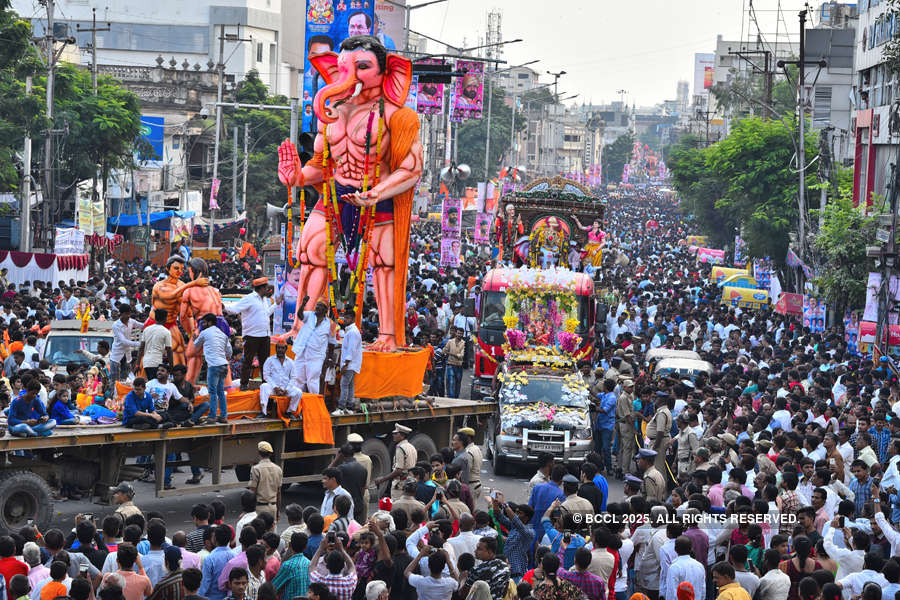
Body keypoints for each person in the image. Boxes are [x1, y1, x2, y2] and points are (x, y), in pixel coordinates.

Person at [224, 278, 276, 389]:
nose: (268, 291)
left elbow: (267, 313)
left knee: (265, 363)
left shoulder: (264, 300)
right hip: (252, 335)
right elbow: (234, 309)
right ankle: (244, 385)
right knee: (248, 361)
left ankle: (265, 385)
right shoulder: (249, 298)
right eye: (267, 288)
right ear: (261, 288)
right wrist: (223, 307)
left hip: (265, 335)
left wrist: (277, 304)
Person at [192, 313, 233, 424]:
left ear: (210, 322)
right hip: (224, 365)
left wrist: (193, 339)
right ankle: (223, 416)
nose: (203, 324)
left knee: (213, 392)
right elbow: (230, 352)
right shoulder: (222, 334)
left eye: (204, 322)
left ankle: (212, 417)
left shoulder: (204, 333)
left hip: (214, 366)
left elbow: (195, 346)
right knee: (220, 391)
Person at [290, 297, 335, 395]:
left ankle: (313, 403)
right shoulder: (309, 315)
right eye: (317, 305)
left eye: (320, 306)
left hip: (316, 356)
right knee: (298, 379)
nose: (317, 307)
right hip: (301, 351)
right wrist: (303, 304)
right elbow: (300, 316)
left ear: (325, 310)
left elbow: (332, 343)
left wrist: (330, 358)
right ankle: (297, 404)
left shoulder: (331, 324)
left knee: (312, 381)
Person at [258, 342, 300, 420]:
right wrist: (275, 387)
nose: (280, 350)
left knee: (298, 392)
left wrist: (286, 389)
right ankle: (263, 412)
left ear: (286, 349)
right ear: (276, 348)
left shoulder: (291, 362)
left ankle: (289, 412)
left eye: (282, 348)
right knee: (264, 386)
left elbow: (293, 378)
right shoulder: (269, 360)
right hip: (273, 388)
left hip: (285, 389)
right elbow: (266, 376)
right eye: (278, 348)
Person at [374, 425, 416, 499]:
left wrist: (382, 479)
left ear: (402, 436)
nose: (393, 435)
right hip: (410, 482)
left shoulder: (400, 448)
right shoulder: (411, 446)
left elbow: (398, 470)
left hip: (400, 484)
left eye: (396, 434)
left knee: (397, 506)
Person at [308, 536, 357, 600]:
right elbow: (351, 567)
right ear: (343, 566)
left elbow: (312, 567)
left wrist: (321, 548)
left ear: (327, 566)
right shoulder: (349, 583)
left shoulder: (319, 582)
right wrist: (341, 549)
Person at [336, 308, 362, 415]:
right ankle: (349, 408)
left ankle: (341, 408)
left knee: (344, 385)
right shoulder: (351, 331)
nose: (345, 320)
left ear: (352, 319)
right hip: (351, 363)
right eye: (344, 318)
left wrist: (345, 364)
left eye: (347, 318)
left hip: (349, 364)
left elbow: (351, 350)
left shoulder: (353, 332)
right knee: (350, 385)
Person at [137, 308, 174, 381]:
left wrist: (137, 364)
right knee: (155, 385)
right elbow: (169, 350)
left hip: (146, 362)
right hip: (156, 362)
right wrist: (171, 366)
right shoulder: (166, 332)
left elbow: (141, 348)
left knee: (151, 382)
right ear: (165, 318)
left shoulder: (146, 329)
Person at [271, 532, 310, 600]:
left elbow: (273, 587)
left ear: (290, 545)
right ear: (305, 546)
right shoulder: (309, 563)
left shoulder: (287, 565)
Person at [249, 441, 283, 520]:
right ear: (270, 454)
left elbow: (252, 491)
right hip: (273, 508)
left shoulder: (256, 469)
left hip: (260, 509)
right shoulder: (278, 469)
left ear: (258, 453)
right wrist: (278, 511)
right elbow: (279, 492)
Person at [109, 304, 142, 381]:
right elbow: (123, 341)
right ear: (121, 313)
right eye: (126, 314)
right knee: (114, 382)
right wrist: (139, 344)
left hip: (127, 356)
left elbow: (143, 326)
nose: (128, 316)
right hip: (116, 357)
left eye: (129, 313)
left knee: (125, 380)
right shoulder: (116, 325)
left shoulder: (131, 321)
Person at [443, 327, 465, 398]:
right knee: (451, 382)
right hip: (450, 364)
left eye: (461, 334)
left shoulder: (464, 343)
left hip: (459, 365)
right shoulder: (450, 341)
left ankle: (456, 398)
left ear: (463, 334)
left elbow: (461, 356)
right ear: (456, 333)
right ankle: (451, 398)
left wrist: (450, 353)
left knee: (458, 383)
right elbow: (444, 350)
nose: (459, 335)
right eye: (458, 333)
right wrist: (445, 352)